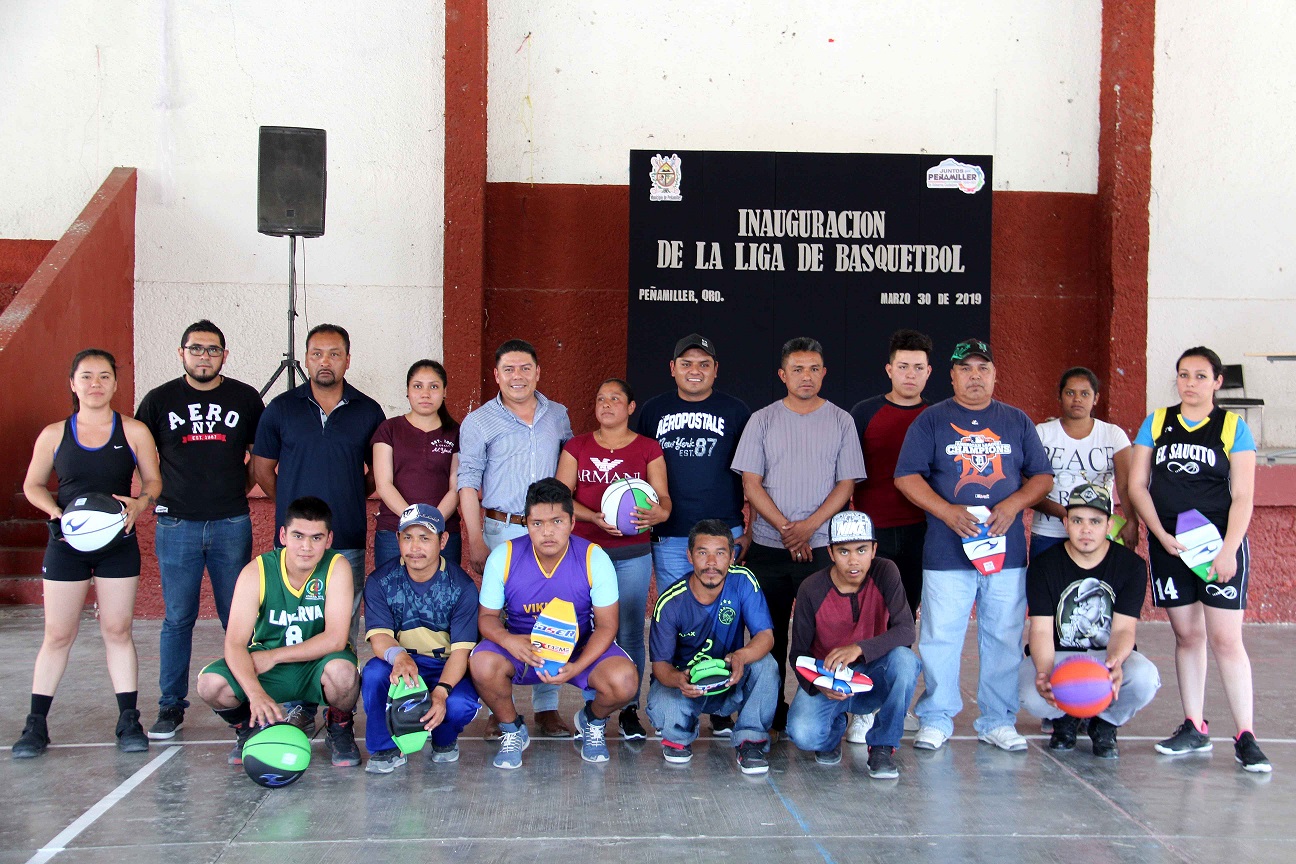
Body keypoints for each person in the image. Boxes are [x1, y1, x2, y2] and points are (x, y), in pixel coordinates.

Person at [894, 338, 1053, 752]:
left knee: (1002, 634)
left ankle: (997, 720)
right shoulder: (931, 420)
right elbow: (907, 476)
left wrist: (1014, 504)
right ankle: (936, 716)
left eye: (983, 368)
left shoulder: (1016, 420)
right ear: (952, 375)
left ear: (995, 375)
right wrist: (947, 511)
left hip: (1006, 549)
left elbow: (1041, 476)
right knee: (940, 635)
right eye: (966, 368)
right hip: (947, 549)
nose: (975, 376)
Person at [1126, 346, 1271, 772]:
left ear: (1217, 382)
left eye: (1201, 376)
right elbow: (1138, 485)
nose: (1191, 383)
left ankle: (1246, 734)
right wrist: (1160, 534)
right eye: (1184, 375)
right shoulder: (1156, 422)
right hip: (1171, 545)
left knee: (1226, 639)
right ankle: (1194, 724)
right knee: (1188, 636)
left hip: (1216, 546)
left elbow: (1244, 495)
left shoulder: (1232, 427)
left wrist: (1229, 550)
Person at [12, 349, 163, 758]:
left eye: (103, 376)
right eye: (86, 376)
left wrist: (139, 503)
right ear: (73, 383)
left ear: (116, 383)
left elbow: (153, 481)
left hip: (117, 544)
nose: (95, 383)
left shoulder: (133, 431)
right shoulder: (54, 434)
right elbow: (33, 485)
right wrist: (56, 512)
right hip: (66, 545)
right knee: (58, 634)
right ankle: (36, 724)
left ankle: (128, 719)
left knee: (117, 631)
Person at [135, 320, 264, 739]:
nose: (204, 356)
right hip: (176, 523)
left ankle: (247, 702)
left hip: (231, 522)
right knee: (177, 619)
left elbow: (257, 460)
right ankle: (171, 706)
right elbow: (139, 451)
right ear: (181, 353)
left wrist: (234, 493)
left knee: (238, 619)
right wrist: (155, 491)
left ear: (225, 355)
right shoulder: (158, 401)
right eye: (196, 349)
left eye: (213, 349)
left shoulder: (245, 398)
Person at [731, 336, 866, 729]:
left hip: (823, 549)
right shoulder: (763, 419)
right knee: (766, 634)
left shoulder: (842, 420)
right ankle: (766, 712)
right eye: (797, 369)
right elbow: (752, 484)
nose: (805, 377)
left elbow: (846, 485)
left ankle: (816, 710)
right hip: (770, 549)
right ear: (782, 375)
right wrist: (787, 530)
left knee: (821, 635)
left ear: (823, 373)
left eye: (813, 369)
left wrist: (807, 528)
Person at [468, 479, 638, 768]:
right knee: (482, 663)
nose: (547, 532)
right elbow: (486, 619)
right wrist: (509, 640)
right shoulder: (504, 556)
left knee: (624, 680)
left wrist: (578, 665)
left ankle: (592, 721)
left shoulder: (593, 557)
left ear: (572, 522)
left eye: (557, 521)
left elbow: (608, 626)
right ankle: (512, 729)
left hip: (577, 648)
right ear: (526, 524)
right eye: (537, 523)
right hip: (524, 649)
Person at [635, 332, 751, 738]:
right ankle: (678, 693)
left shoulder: (737, 411)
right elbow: (638, 465)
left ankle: (719, 704)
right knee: (675, 620)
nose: (695, 370)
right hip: (671, 537)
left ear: (715, 369)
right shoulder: (653, 411)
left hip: (724, 534)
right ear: (673, 368)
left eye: (704, 363)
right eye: (686, 363)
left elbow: (751, 474)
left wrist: (745, 527)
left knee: (725, 619)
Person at [458, 339, 574, 738]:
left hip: (549, 528)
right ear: (496, 375)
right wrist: (475, 538)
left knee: (549, 612)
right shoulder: (478, 421)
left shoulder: (557, 415)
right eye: (508, 369)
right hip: (500, 527)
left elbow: (568, 468)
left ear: (538, 372)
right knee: (500, 616)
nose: (517, 376)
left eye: (525, 368)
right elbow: (468, 481)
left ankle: (547, 709)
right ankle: (499, 708)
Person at [195, 497, 361, 767]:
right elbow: (235, 643)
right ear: (283, 535)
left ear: (329, 539)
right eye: (298, 536)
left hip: (317, 664)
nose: (306, 547)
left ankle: (339, 726)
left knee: (344, 674)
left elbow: (335, 638)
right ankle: (249, 728)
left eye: (316, 538)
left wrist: (274, 656)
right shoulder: (256, 572)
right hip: (269, 667)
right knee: (210, 684)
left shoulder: (336, 567)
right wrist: (255, 693)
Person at [556, 378, 671, 741]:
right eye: (600, 398)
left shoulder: (648, 449)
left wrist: (656, 515)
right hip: (586, 553)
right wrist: (592, 517)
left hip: (632, 553)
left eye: (616, 399)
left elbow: (664, 504)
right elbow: (561, 497)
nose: (606, 405)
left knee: (629, 631)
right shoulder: (577, 446)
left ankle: (630, 709)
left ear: (630, 407)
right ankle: (597, 708)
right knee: (588, 629)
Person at [1019, 484, 1161, 758]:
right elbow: (1040, 629)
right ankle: (1064, 719)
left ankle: (1104, 724)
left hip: (1103, 655)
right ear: (1065, 523)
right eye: (1077, 521)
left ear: (1109, 525)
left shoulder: (1131, 566)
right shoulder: (1043, 565)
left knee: (1145, 678)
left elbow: (1123, 629)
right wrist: (1044, 672)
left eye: (1095, 522)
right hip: (1060, 656)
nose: (1086, 530)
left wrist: (1116, 662)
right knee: (1027, 690)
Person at [785, 511, 921, 779]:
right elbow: (798, 655)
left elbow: (906, 630)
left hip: (873, 676)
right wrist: (819, 684)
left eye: (861, 550)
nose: (853, 560)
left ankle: (882, 745)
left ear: (874, 550)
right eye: (844, 552)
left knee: (905, 661)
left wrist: (859, 648)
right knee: (804, 734)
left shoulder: (885, 572)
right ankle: (833, 731)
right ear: (831, 553)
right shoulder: (811, 588)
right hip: (830, 681)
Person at [847, 328, 933, 743]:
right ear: (889, 369)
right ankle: (863, 708)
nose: (910, 375)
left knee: (905, 618)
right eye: (903, 367)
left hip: (920, 531)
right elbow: (847, 473)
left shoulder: (939, 415)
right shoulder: (864, 412)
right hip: (871, 531)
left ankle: (895, 703)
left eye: (918, 368)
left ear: (929, 372)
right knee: (867, 616)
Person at [647, 519, 776, 774]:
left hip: (730, 683)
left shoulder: (742, 581)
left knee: (766, 664)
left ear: (731, 557)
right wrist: (678, 679)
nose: (711, 563)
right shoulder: (670, 602)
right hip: (688, 689)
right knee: (662, 699)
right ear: (690, 556)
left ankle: (750, 740)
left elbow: (765, 636)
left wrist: (741, 656)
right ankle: (678, 737)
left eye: (720, 553)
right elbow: (660, 667)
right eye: (702, 553)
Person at [360, 504, 480, 773]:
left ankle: (444, 740)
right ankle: (385, 747)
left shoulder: (461, 586)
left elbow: (461, 653)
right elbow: (379, 637)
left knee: (458, 705)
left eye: (425, 538)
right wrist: (400, 657)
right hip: (403, 663)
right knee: (374, 674)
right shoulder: (381, 581)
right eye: (408, 537)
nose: (415, 547)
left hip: (443, 666)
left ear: (443, 540)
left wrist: (440, 692)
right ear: (398, 540)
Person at [1031, 367, 1138, 559]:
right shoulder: (1042, 433)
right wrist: (1067, 514)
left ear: (1095, 398)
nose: (1077, 399)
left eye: (1085, 393)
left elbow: (1126, 484)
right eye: (1070, 393)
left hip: (1096, 533)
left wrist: (1132, 521)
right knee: (1048, 587)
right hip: (1049, 531)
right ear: (1060, 396)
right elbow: (1027, 484)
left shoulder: (1113, 434)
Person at [372, 359, 461, 568]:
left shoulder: (457, 433)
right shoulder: (389, 429)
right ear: (407, 391)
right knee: (392, 597)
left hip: (443, 533)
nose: (425, 394)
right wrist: (414, 522)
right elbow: (384, 485)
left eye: (434, 386)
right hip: (394, 532)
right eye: (418, 386)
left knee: (444, 597)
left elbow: (456, 487)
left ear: (445, 391)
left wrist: (432, 524)